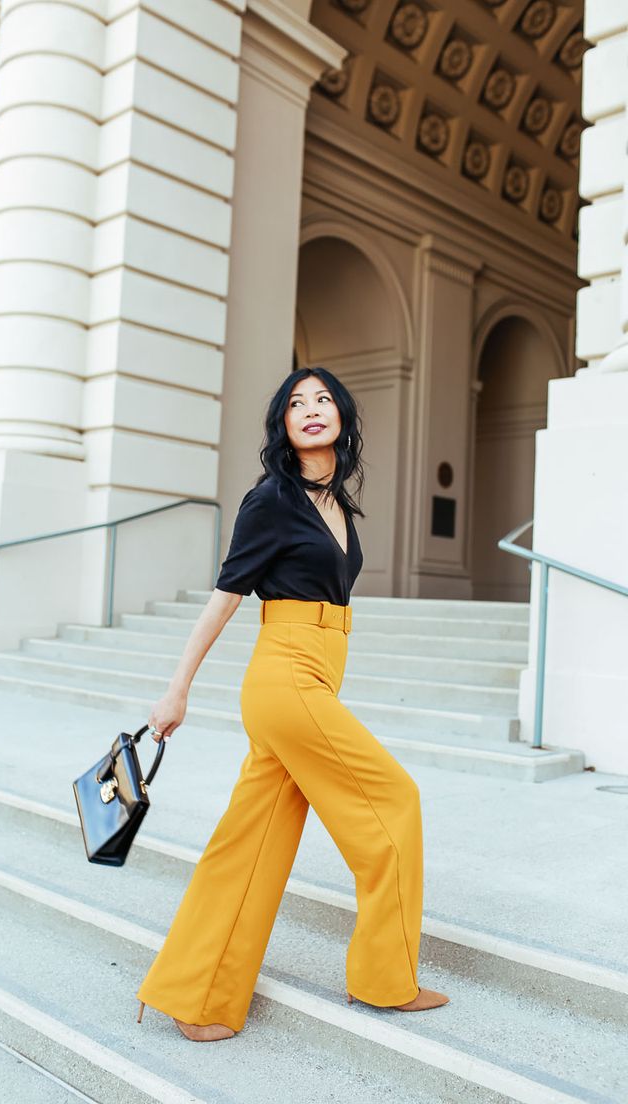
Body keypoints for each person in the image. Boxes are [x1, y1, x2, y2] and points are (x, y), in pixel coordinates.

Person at [135, 366, 449, 1042]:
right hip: (286, 679)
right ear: (282, 424)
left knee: (251, 845)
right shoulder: (271, 499)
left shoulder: (336, 502)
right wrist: (177, 687)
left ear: (341, 419)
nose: (311, 410)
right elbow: (226, 595)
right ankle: (384, 980)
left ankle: (200, 999)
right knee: (395, 801)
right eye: (296, 403)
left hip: (315, 677)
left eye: (323, 400)